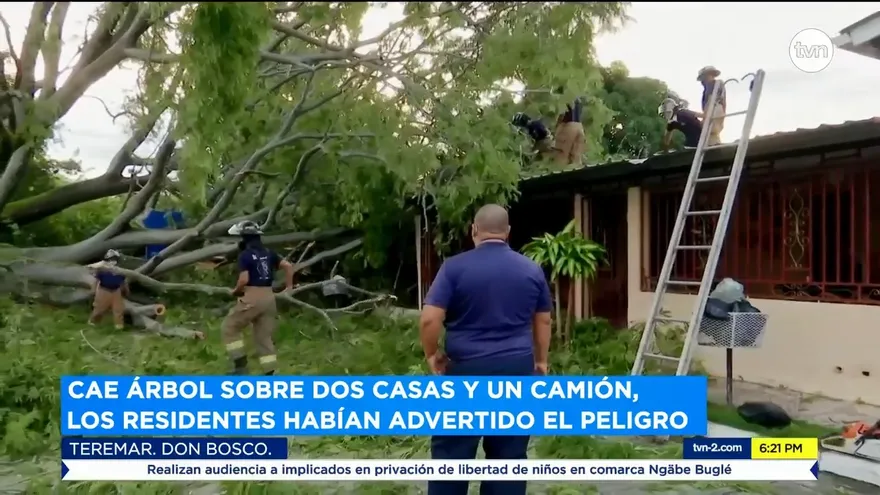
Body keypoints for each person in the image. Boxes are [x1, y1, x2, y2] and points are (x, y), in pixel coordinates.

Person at [419, 204, 553, 495]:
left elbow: (430, 318)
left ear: (474, 231)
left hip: (464, 370)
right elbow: (543, 319)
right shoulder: (531, 269)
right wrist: (541, 361)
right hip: (516, 370)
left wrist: (432, 354)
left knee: (451, 457)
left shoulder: (453, 268)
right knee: (508, 458)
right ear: (507, 232)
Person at [222, 220, 295, 375]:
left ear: (244, 237)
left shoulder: (245, 255)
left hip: (253, 296)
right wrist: (289, 288)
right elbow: (288, 266)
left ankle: (240, 366)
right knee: (263, 337)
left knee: (230, 327)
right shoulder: (269, 252)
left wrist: (236, 291)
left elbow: (244, 280)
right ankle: (271, 373)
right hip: (269, 297)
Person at [88, 249, 129, 329]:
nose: (112, 262)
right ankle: (93, 322)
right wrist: (93, 290)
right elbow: (96, 280)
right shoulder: (102, 270)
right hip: (104, 290)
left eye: (114, 260)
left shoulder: (120, 270)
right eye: (110, 260)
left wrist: (126, 291)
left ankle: (119, 325)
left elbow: (123, 282)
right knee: (99, 308)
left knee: (118, 309)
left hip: (116, 291)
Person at [697, 66, 726, 146]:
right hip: (716, 109)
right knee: (712, 133)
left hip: (713, 109)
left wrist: (704, 116)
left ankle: (714, 146)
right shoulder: (715, 85)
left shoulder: (714, 84)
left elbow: (710, 101)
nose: (702, 81)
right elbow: (723, 101)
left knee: (709, 130)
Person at [553, 94, 585, 165]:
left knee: (570, 99)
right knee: (571, 99)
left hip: (570, 130)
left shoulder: (574, 160)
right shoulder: (574, 161)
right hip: (569, 130)